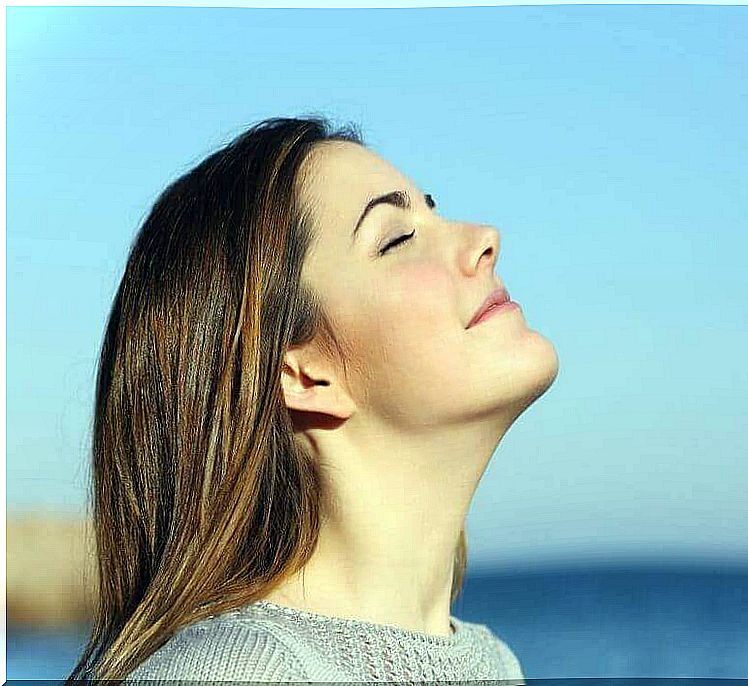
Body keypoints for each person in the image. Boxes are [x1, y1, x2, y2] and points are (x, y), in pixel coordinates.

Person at [66, 115, 560, 683]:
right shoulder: (232, 675)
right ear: (306, 375)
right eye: (396, 238)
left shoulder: (494, 666)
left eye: (433, 211)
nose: (484, 238)